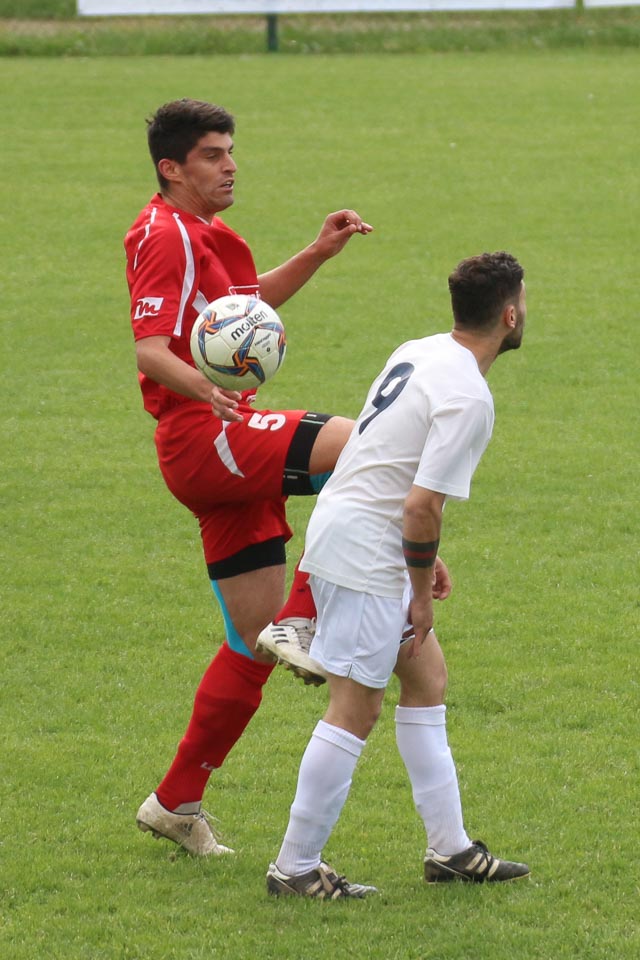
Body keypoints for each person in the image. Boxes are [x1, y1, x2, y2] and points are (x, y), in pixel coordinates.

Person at [125, 98, 372, 856]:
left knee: (251, 643)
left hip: (219, 436)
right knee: (367, 447)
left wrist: (317, 253)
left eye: (231, 150)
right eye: (212, 154)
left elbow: (244, 307)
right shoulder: (163, 233)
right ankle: (307, 610)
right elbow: (150, 346)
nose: (230, 165)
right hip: (206, 434)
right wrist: (207, 390)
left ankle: (175, 803)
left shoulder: (211, 233)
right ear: (172, 168)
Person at [266, 251, 531, 899]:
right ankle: (294, 869)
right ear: (509, 314)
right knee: (354, 709)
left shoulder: (420, 349)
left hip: (351, 530)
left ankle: (450, 849)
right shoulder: (468, 396)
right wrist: (420, 593)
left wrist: (421, 555)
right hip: (365, 557)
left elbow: (382, 460)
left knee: (426, 677)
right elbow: (419, 505)